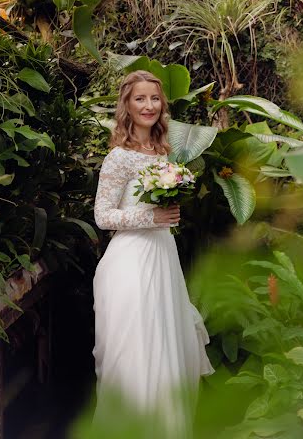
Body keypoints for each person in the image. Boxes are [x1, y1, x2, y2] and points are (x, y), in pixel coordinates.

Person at [92, 70, 214, 436]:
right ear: (126, 105)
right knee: (134, 353)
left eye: (155, 99)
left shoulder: (163, 152)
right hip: (130, 263)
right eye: (140, 99)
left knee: (167, 349)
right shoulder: (118, 157)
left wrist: (167, 213)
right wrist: (151, 215)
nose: (148, 105)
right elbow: (102, 216)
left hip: (162, 258)